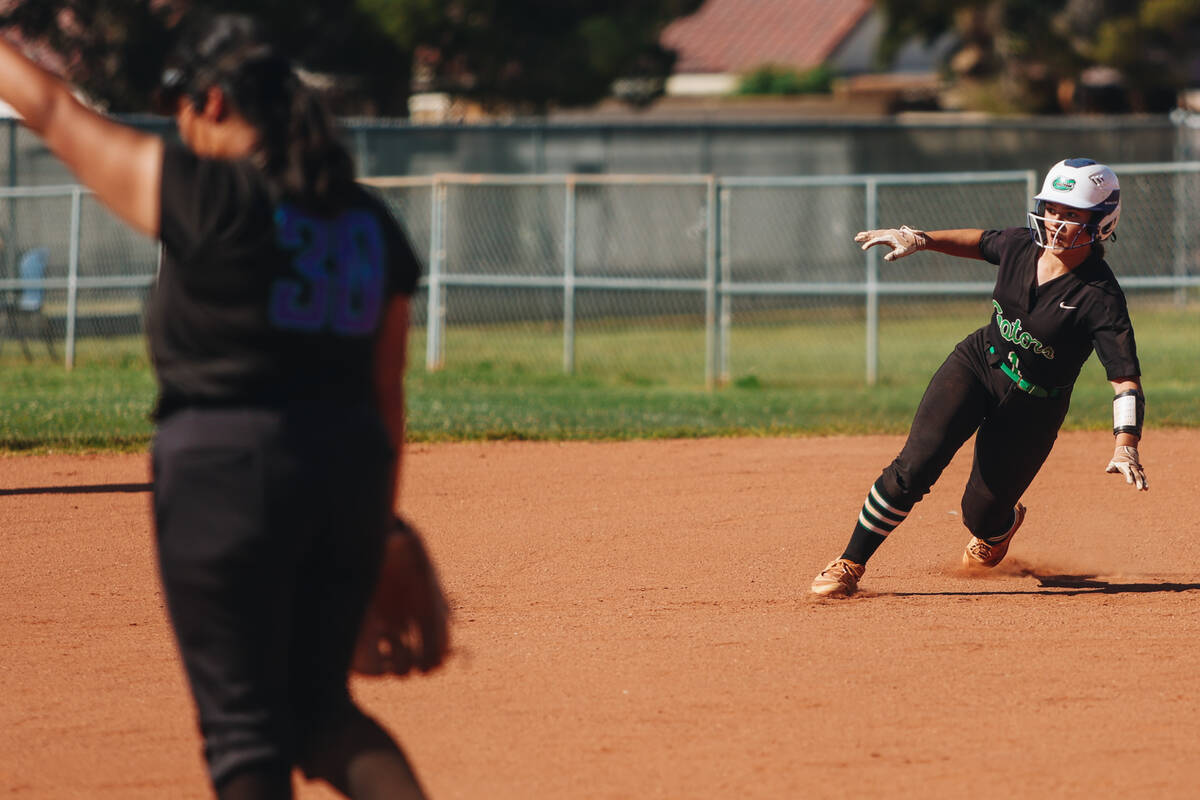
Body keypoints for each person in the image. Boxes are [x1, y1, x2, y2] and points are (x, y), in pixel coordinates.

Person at [0, 14, 444, 799]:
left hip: (225, 474)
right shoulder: (369, 223)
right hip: (347, 474)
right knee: (325, 715)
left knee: (246, 739)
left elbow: (55, 110)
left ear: (208, 104)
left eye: (179, 106)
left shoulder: (203, 193)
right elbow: (386, 392)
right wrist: (383, 526)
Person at [811, 157, 1149, 598]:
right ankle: (849, 564)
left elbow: (1125, 380)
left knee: (982, 514)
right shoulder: (1021, 245)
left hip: (1034, 405)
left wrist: (1126, 445)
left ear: (1102, 223)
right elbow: (982, 242)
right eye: (1052, 208)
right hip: (977, 363)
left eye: (1072, 214)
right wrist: (922, 239)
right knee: (914, 466)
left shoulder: (1099, 297)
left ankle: (998, 529)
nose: (1057, 222)